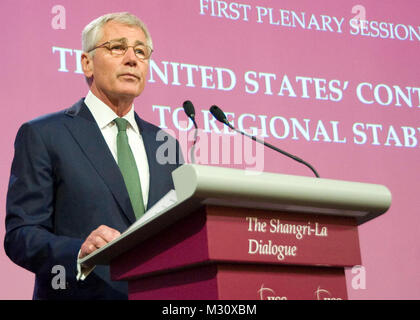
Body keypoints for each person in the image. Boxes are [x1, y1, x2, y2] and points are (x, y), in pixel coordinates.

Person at [4, 12, 183, 300]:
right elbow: (21, 235)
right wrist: (79, 252)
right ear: (87, 63)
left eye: (141, 51)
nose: (132, 58)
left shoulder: (166, 144)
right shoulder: (45, 134)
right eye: (117, 47)